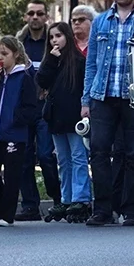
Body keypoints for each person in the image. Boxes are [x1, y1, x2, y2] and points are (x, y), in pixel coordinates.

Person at [83, 0, 134, 227]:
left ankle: (131, 210)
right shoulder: (101, 21)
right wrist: (85, 101)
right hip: (103, 96)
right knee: (99, 152)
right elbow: (91, 64)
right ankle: (102, 208)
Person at [0, 36, 40, 227]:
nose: (0, 58)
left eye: (4, 54)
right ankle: (1, 204)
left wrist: (16, 119)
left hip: (15, 136)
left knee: (12, 176)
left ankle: (6, 215)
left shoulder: (25, 78)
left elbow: (32, 109)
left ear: (16, 54)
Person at [37, 22, 91, 223]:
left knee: (78, 157)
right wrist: (51, 59)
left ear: (67, 37)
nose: (54, 41)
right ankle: (66, 198)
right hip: (56, 117)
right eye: (51, 37)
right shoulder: (52, 60)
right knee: (63, 160)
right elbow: (42, 80)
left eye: (58, 36)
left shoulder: (77, 61)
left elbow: (83, 87)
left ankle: (81, 197)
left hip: (73, 117)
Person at [17, 0, 60, 221]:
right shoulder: (19, 44)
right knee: (24, 158)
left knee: (46, 156)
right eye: (31, 13)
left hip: (46, 109)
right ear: (25, 17)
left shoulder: (52, 43)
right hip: (25, 109)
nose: (35, 17)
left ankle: (57, 199)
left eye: (39, 13)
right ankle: (30, 206)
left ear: (46, 17)